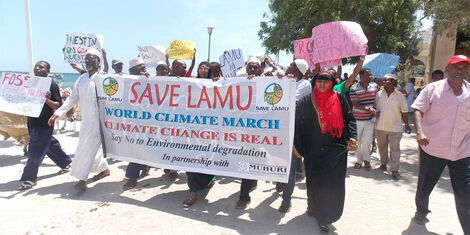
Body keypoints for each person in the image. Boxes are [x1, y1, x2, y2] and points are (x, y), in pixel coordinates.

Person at [411, 55, 470, 234]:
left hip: (462, 151)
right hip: (433, 147)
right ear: (447, 69)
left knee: (466, 194)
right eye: (455, 67)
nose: (459, 71)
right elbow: (419, 110)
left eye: (463, 68)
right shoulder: (432, 89)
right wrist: (420, 131)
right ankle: (421, 210)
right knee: (425, 186)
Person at [295, 72, 357, 232]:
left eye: (326, 82)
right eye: (319, 82)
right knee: (314, 181)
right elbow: (296, 122)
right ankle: (313, 207)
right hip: (313, 148)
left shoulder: (340, 98)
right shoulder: (306, 101)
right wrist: (298, 146)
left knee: (332, 183)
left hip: (335, 148)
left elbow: (349, 118)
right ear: (314, 83)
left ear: (331, 84)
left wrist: (353, 137)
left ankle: (326, 216)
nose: (322, 85)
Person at [48, 48, 110, 191]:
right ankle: (104, 169)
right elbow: (72, 98)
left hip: (101, 121)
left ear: (98, 61)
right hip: (86, 121)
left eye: (91, 58)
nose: (88, 61)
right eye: (86, 58)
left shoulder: (103, 77)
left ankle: (82, 179)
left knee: (86, 148)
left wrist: (105, 56)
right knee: (89, 147)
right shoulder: (81, 79)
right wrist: (57, 113)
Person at [16, 61, 72, 190]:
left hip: (45, 122)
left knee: (34, 151)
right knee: (50, 144)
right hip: (32, 121)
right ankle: (65, 163)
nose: (37, 68)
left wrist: (45, 99)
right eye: (36, 66)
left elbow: (58, 105)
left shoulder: (51, 84)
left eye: (41, 67)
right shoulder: (31, 84)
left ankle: (29, 179)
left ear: (48, 70)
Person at [276, 59, 312, 212]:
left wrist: (285, 83)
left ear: (298, 70)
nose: (288, 68)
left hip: (294, 131)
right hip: (278, 129)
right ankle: (278, 179)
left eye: (291, 66)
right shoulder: (284, 80)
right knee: (276, 162)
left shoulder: (305, 84)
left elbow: (294, 101)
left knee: (289, 167)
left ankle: (286, 199)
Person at [183, 63, 217, 207]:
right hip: (192, 129)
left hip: (209, 130)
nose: (203, 70)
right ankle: (192, 193)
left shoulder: (217, 82)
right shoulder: (191, 83)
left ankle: (209, 180)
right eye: (201, 68)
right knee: (190, 161)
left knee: (206, 159)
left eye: (205, 68)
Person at [123, 57, 152, 190]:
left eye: (144, 68)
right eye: (141, 69)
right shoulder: (125, 81)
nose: (144, 71)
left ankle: (144, 165)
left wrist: (148, 78)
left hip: (149, 121)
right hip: (132, 122)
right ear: (132, 71)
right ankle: (132, 177)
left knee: (146, 146)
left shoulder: (149, 80)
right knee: (135, 148)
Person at [374, 74, 411, 178]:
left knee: (395, 148)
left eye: (387, 81)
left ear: (394, 82)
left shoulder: (400, 96)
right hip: (380, 126)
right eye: (384, 80)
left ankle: (394, 169)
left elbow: (404, 111)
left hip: (395, 127)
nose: (384, 82)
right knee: (382, 147)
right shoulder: (378, 94)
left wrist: (406, 124)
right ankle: (383, 163)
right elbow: (376, 108)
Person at [349, 68, 378, 169]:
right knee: (357, 141)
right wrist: (368, 109)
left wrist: (374, 110)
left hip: (370, 119)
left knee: (367, 140)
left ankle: (367, 160)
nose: (369, 77)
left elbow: (377, 100)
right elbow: (355, 104)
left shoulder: (374, 86)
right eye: (367, 75)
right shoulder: (354, 88)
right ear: (360, 77)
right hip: (357, 119)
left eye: (370, 75)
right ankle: (359, 160)